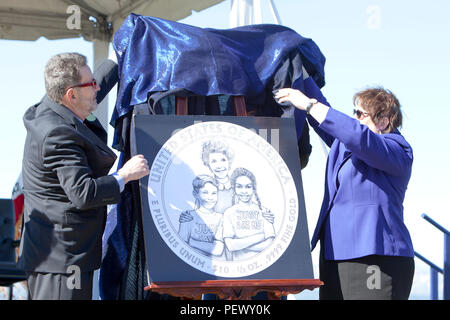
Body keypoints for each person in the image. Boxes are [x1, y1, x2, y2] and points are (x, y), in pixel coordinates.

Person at [19, 52, 150, 300]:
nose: (97, 87)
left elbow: (91, 92)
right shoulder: (57, 132)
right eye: (91, 84)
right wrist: (125, 175)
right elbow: (82, 193)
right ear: (72, 94)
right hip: (62, 261)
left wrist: (116, 56)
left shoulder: (55, 106)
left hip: (61, 255)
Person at [275, 86, 415, 300]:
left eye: (360, 114)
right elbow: (332, 124)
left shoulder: (397, 150)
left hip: (377, 258)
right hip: (335, 257)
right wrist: (303, 76)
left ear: (383, 122)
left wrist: (310, 105)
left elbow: (355, 135)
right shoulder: (347, 147)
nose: (353, 117)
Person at [222, 168, 275, 261]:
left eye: (248, 186)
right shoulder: (229, 213)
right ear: (234, 189)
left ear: (253, 188)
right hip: (239, 268)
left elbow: (270, 244)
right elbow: (230, 245)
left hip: (264, 265)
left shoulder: (264, 211)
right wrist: (261, 236)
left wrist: (240, 245)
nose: (244, 191)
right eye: (239, 186)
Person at [178, 175, 225, 259]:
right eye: (205, 193)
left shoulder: (221, 218)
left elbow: (218, 249)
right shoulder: (188, 217)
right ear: (195, 194)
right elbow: (180, 246)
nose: (210, 197)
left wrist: (192, 242)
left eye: (214, 193)